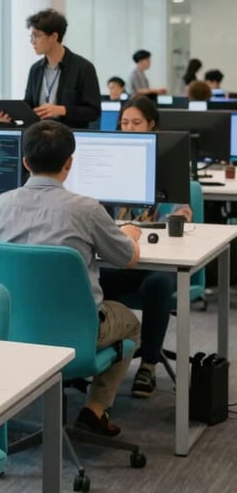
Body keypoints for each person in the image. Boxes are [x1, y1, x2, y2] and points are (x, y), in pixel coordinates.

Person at [0, 120, 141, 435]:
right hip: (78, 332)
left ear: (25, 162)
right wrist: (131, 234)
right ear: (69, 164)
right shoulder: (86, 210)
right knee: (132, 324)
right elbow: (128, 258)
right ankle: (95, 410)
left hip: (12, 330)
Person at [101, 96, 192, 398]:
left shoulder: (169, 160)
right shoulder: (109, 162)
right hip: (119, 256)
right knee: (84, 275)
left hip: (156, 260)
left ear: (151, 124)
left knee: (156, 285)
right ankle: (100, 357)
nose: (129, 129)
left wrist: (180, 213)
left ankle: (148, 365)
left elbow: (181, 211)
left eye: (136, 123)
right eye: (124, 123)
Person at [15, 8, 101, 129]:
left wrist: (62, 110)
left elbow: (93, 112)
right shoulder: (36, 69)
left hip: (69, 137)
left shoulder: (83, 68)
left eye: (37, 36)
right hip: (38, 136)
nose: (32, 42)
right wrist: (12, 113)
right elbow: (29, 105)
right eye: (31, 37)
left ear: (54, 36)